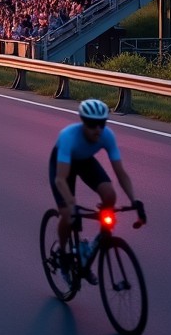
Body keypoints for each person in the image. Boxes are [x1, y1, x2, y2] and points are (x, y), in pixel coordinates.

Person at [49, 99, 140, 279]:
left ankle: (95, 245)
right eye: (92, 124)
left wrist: (134, 201)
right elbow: (60, 179)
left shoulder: (107, 135)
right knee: (68, 213)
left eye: (102, 124)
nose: (97, 129)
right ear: (83, 122)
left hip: (84, 161)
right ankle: (63, 253)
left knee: (110, 195)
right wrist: (70, 202)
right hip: (62, 166)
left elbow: (120, 173)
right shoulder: (69, 136)